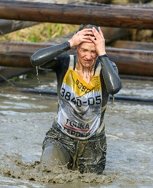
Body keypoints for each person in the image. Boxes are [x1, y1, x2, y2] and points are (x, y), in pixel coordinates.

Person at [30, 24, 122, 174]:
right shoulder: (65, 63)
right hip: (60, 136)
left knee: (87, 186)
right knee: (48, 174)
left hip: (93, 143)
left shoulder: (107, 67)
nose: (88, 56)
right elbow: (35, 60)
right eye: (84, 50)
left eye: (94, 51)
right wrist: (68, 44)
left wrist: (103, 53)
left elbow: (114, 88)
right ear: (77, 48)